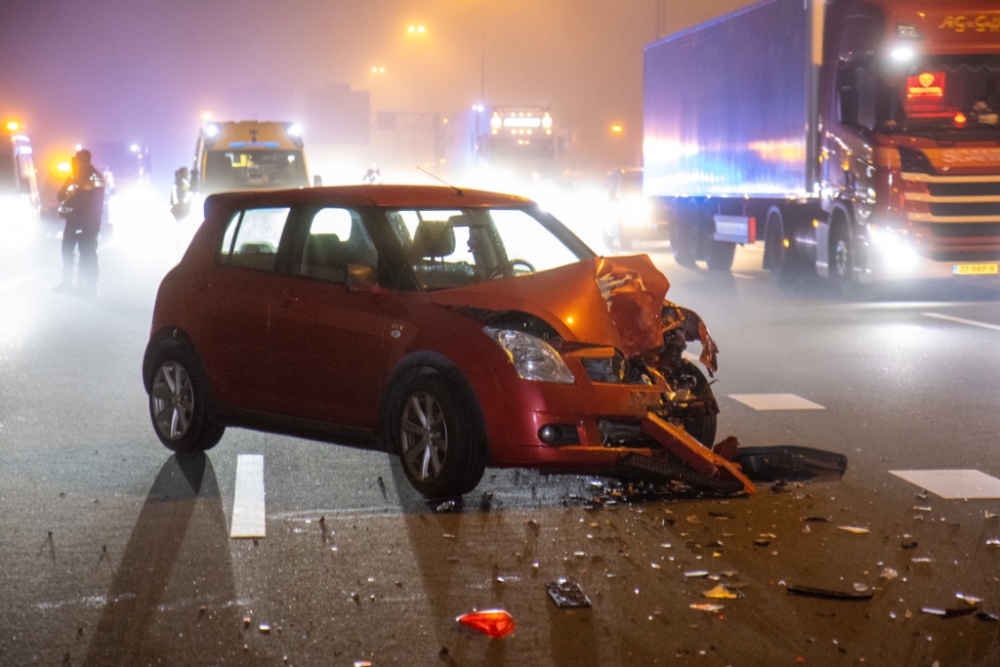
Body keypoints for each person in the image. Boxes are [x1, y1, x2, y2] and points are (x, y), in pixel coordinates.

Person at [55, 149, 105, 296]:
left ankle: (88, 285)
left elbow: (96, 203)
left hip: (87, 223)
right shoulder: (73, 177)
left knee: (87, 253)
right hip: (72, 221)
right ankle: (67, 282)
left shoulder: (96, 178)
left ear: (86, 161)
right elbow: (61, 196)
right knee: (67, 251)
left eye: (80, 160)